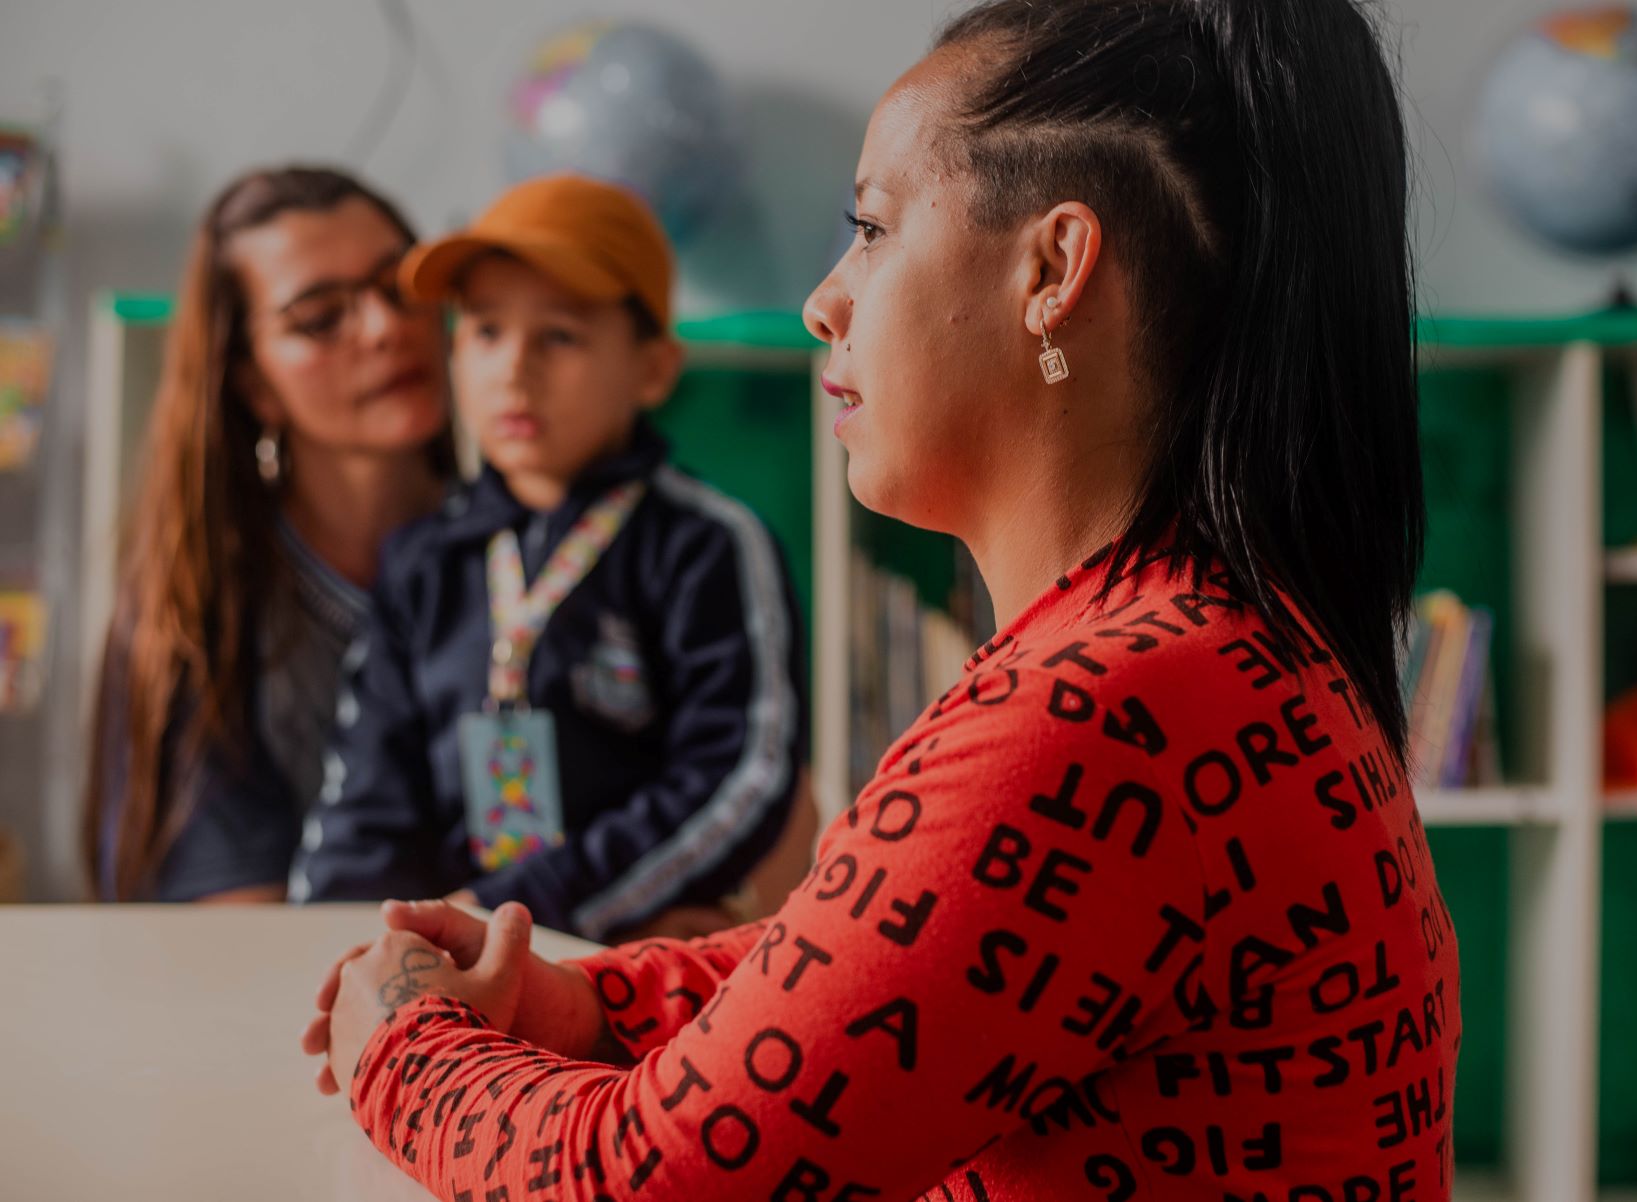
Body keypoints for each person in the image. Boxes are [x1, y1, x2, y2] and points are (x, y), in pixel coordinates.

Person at [302, 0, 1459, 1196]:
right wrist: (585, 1000)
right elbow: (886, 962)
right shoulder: (1198, 649)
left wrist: (401, 1040)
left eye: (870, 227)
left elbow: (642, 1181)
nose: (824, 300)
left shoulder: (1106, 711)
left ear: (1053, 268)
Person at [288, 174, 813, 942]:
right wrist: (342, 945)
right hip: (456, 969)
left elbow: (740, 778)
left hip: (628, 957)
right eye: (486, 330)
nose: (513, 369)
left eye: (560, 336)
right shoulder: (424, 560)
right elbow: (367, 795)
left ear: (653, 368)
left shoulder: (709, 547)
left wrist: (521, 914)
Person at [83, 166, 453, 904]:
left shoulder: (541, 558)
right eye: (320, 319)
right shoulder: (199, 612)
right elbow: (235, 928)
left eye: (400, 288)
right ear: (254, 386)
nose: (384, 329)